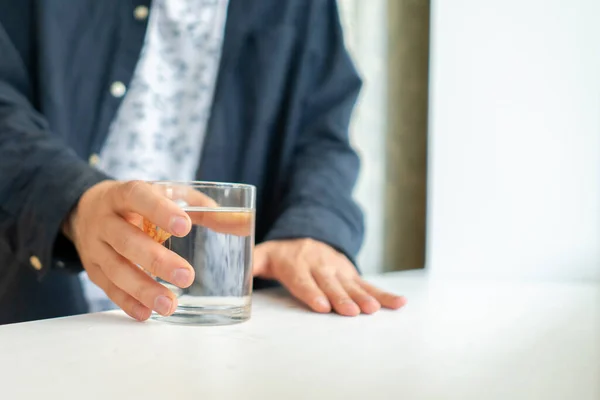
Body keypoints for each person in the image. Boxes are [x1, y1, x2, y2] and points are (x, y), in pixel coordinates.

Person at [0, 0, 406, 325]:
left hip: (220, 334)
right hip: (34, 318)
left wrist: (313, 230)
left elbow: (322, 132)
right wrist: (73, 202)